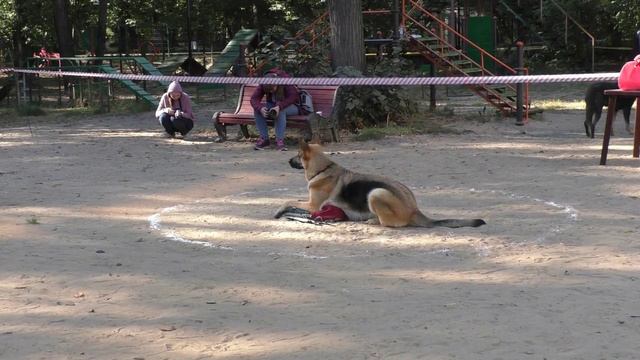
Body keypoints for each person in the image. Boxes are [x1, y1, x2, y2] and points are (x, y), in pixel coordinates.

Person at [250, 69, 300, 151]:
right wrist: (261, 108)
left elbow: (293, 97)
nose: (271, 91)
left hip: (292, 106)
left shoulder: (285, 80)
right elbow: (254, 99)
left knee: (280, 112)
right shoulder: (264, 83)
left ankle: (280, 140)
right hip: (273, 105)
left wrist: (279, 106)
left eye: (272, 89)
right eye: (268, 91)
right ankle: (264, 139)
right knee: (257, 110)